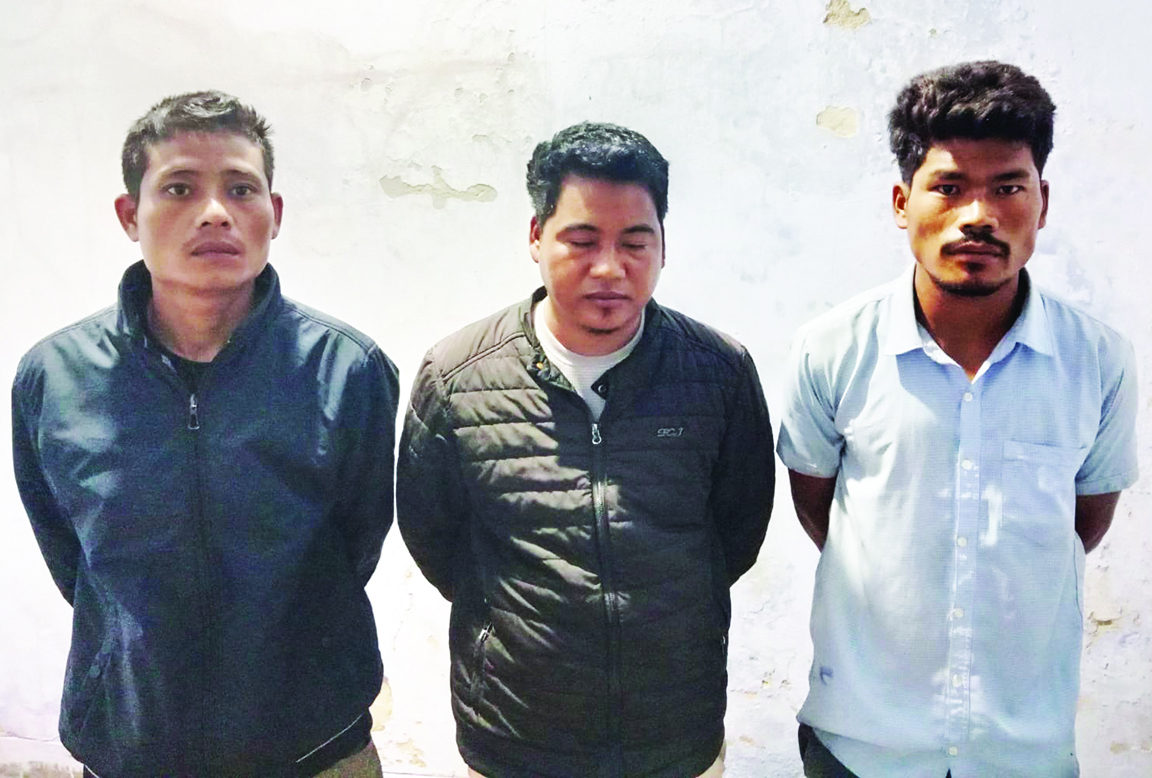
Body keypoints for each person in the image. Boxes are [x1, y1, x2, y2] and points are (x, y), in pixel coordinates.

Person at [11, 91, 398, 777]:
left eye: (241, 189)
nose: (215, 212)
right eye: (180, 188)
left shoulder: (347, 368)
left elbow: (357, 541)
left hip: (314, 743)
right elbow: (72, 555)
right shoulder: (56, 376)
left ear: (275, 214)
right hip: (133, 743)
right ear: (130, 215)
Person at [777, 61, 1139, 777]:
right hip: (862, 748)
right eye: (948, 187)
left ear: (1042, 202)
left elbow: (1082, 523)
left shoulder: (1099, 361)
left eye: (1008, 187)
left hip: (1024, 752)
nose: (978, 215)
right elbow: (822, 511)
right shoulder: (832, 349)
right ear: (902, 202)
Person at [396, 122, 774, 778]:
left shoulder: (719, 372)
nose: (609, 268)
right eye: (581, 240)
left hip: (674, 734)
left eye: (635, 242)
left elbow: (735, 535)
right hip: (515, 736)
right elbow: (435, 538)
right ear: (536, 237)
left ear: (663, 245)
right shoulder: (457, 377)